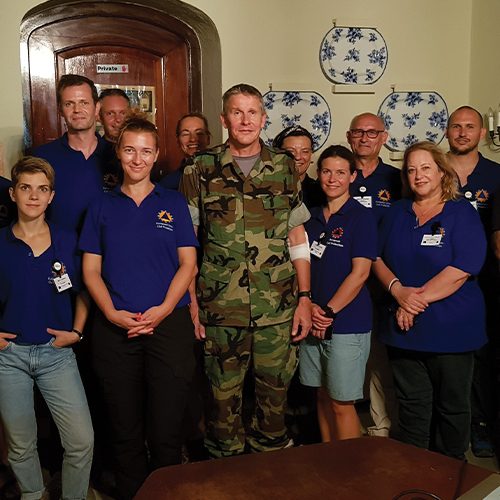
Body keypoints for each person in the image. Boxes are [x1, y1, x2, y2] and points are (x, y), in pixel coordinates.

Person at [180, 83, 312, 458]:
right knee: (221, 401)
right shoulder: (200, 167)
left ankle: (268, 473)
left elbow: (297, 235)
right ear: (224, 119)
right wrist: (191, 301)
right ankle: (226, 477)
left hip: (278, 306)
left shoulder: (285, 166)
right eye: (236, 112)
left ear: (263, 118)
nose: (245, 120)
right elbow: (188, 242)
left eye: (252, 112)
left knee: (275, 399)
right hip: (220, 306)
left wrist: (304, 298)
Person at [80, 112, 198, 500]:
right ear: (118, 152)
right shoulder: (101, 207)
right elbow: (91, 272)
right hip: (115, 330)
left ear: (156, 154)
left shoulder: (174, 202)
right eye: (129, 150)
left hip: (168, 326)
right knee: (123, 429)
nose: (137, 158)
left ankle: (166, 493)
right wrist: (112, 314)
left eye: (145, 151)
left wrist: (163, 309)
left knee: (166, 430)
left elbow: (188, 265)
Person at [373, 141, 487, 460]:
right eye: (411, 169)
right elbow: (374, 258)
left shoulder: (461, 211)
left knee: (452, 407)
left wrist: (414, 301)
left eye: (425, 167)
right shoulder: (396, 212)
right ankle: (415, 471)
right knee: (412, 406)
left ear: (440, 171)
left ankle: (452, 473)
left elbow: (464, 267)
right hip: (403, 332)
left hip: (452, 331)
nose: (418, 175)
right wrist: (398, 291)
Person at [0, 156, 93, 500]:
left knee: (81, 441)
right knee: (22, 445)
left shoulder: (67, 240)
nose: (33, 196)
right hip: (9, 357)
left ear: (52, 196)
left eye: (42, 189)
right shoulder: (0, 243)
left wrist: (77, 332)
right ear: (13, 193)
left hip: (57, 356)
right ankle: (32, 495)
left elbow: (85, 290)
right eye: (26, 188)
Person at [300, 145, 377, 442]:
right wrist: (312, 309)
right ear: (318, 174)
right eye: (327, 171)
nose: (333, 178)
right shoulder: (310, 217)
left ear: (353, 176)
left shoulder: (361, 217)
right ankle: (328, 462)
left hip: (346, 323)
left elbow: (360, 273)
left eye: (341, 172)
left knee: (341, 402)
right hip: (312, 317)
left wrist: (329, 312)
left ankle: (349, 473)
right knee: (321, 395)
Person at [446, 106, 500, 457]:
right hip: (440, 280)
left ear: (482, 133)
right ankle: (449, 425)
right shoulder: (431, 170)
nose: (462, 132)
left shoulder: (497, 175)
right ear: (447, 131)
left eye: (470, 127)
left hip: (487, 281)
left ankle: (479, 423)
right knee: (448, 356)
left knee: (484, 356)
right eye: (456, 126)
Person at [346, 112, 402, 437]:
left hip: (382, 282)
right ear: (349, 136)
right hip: (344, 280)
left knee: (381, 357)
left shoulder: (396, 179)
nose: (365, 138)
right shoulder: (339, 172)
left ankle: (384, 429)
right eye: (358, 132)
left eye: (372, 132)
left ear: (383, 137)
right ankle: (350, 428)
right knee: (348, 355)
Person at [34, 74, 115, 232]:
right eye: (69, 103)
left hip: (108, 252)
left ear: (97, 107)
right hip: (58, 252)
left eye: (84, 102)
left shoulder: (117, 154)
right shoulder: (43, 156)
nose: (77, 110)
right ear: (60, 110)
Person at [273, 125, 324, 208]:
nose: (297, 157)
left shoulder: (320, 192)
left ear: (311, 154)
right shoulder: (264, 188)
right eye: (290, 151)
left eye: (305, 151)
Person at [160, 112, 211, 191]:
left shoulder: (224, 175)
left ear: (208, 139)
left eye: (199, 133)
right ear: (178, 141)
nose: (193, 139)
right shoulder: (168, 184)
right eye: (186, 134)